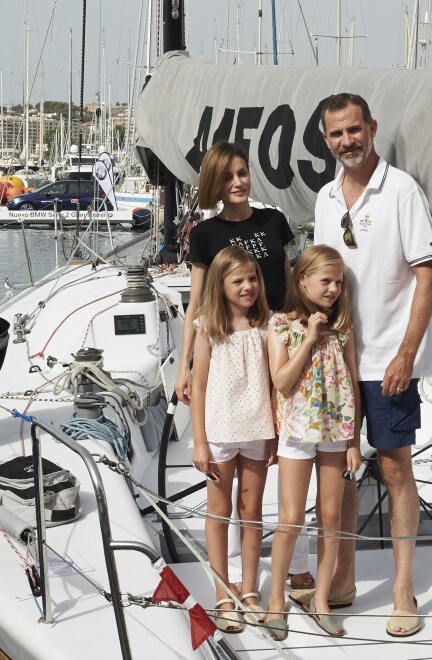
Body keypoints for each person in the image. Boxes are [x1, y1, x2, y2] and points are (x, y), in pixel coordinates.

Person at [309, 92, 432, 637]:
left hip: (389, 358)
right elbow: (322, 280)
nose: (347, 141)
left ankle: (403, 588)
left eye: (354, 130)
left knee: (393, 468)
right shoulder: (324, 198)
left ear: (372, 127)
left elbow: (428, 275)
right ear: (326, 138)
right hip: (337, 360)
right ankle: (343, 579)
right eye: (336, 134)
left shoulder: (401, 191)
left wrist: (408, 353)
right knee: (340, 472)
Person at [173, 140, 314, 591]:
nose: (238, 182)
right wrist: (184, 364)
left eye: (242, 173)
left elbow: (291, 288)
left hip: (274, 341)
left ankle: (293, 565)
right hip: (227, 343)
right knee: (228, 495)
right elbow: (197, 300)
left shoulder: (274, 221)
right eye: (228, 176)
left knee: (291, 455)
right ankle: (230, 580)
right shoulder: (205, 234)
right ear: (215, 182)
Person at [264, 245, 362, 640]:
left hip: (336, 433)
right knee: (290, 519)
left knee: (331, 518)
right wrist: (308, 338)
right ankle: (275, 600)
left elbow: (352, 383)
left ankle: (321, 599)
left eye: (339, 282)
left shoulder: (344, 329)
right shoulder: (280, 325)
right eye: (326, 281)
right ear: (302, 280)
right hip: (296, 431)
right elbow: (282, 381)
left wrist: (355, 439)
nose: (334, 289)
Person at [190, 246, 276, 633]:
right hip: (221, 430)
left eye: (252, 278)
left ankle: (251, 589)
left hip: (258, 427)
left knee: (251, 510)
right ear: (220, 284)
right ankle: (223, 591)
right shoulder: (208, 325)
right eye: (238, 280)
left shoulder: (268, 324)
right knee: (219, 512)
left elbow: (274, 382)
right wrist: (200, 442)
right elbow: (199, 386)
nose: (248, 286)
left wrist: (274, 430)